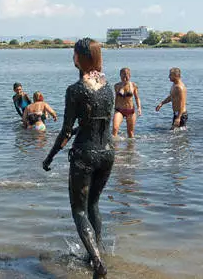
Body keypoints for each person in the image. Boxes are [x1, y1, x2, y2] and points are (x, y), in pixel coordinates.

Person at [43, 38, 114, 278]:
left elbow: (65, 131)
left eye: (74, 54)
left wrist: (50, 156)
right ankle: (97, 251)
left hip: (84, 155)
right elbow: (94, 122)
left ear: (80, 58)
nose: (72, 58)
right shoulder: (109, 87)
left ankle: (97, 263)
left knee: (79, 211)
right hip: (107, 154)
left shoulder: (74, 90)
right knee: (93, 204)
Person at [112, 68, 142, 138]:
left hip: (130, 110)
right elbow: (115, 98)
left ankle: (130, 148)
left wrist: (139, 108)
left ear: (130, 75)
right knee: (115, 129)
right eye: (123, 75)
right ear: (120, 75)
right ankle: (115, 147)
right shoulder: (116, 86)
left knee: (130, 133)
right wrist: (112, 108)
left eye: (127, 75)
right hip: (119, 110)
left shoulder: (133, 85)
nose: (125, 77)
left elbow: (137, 98)